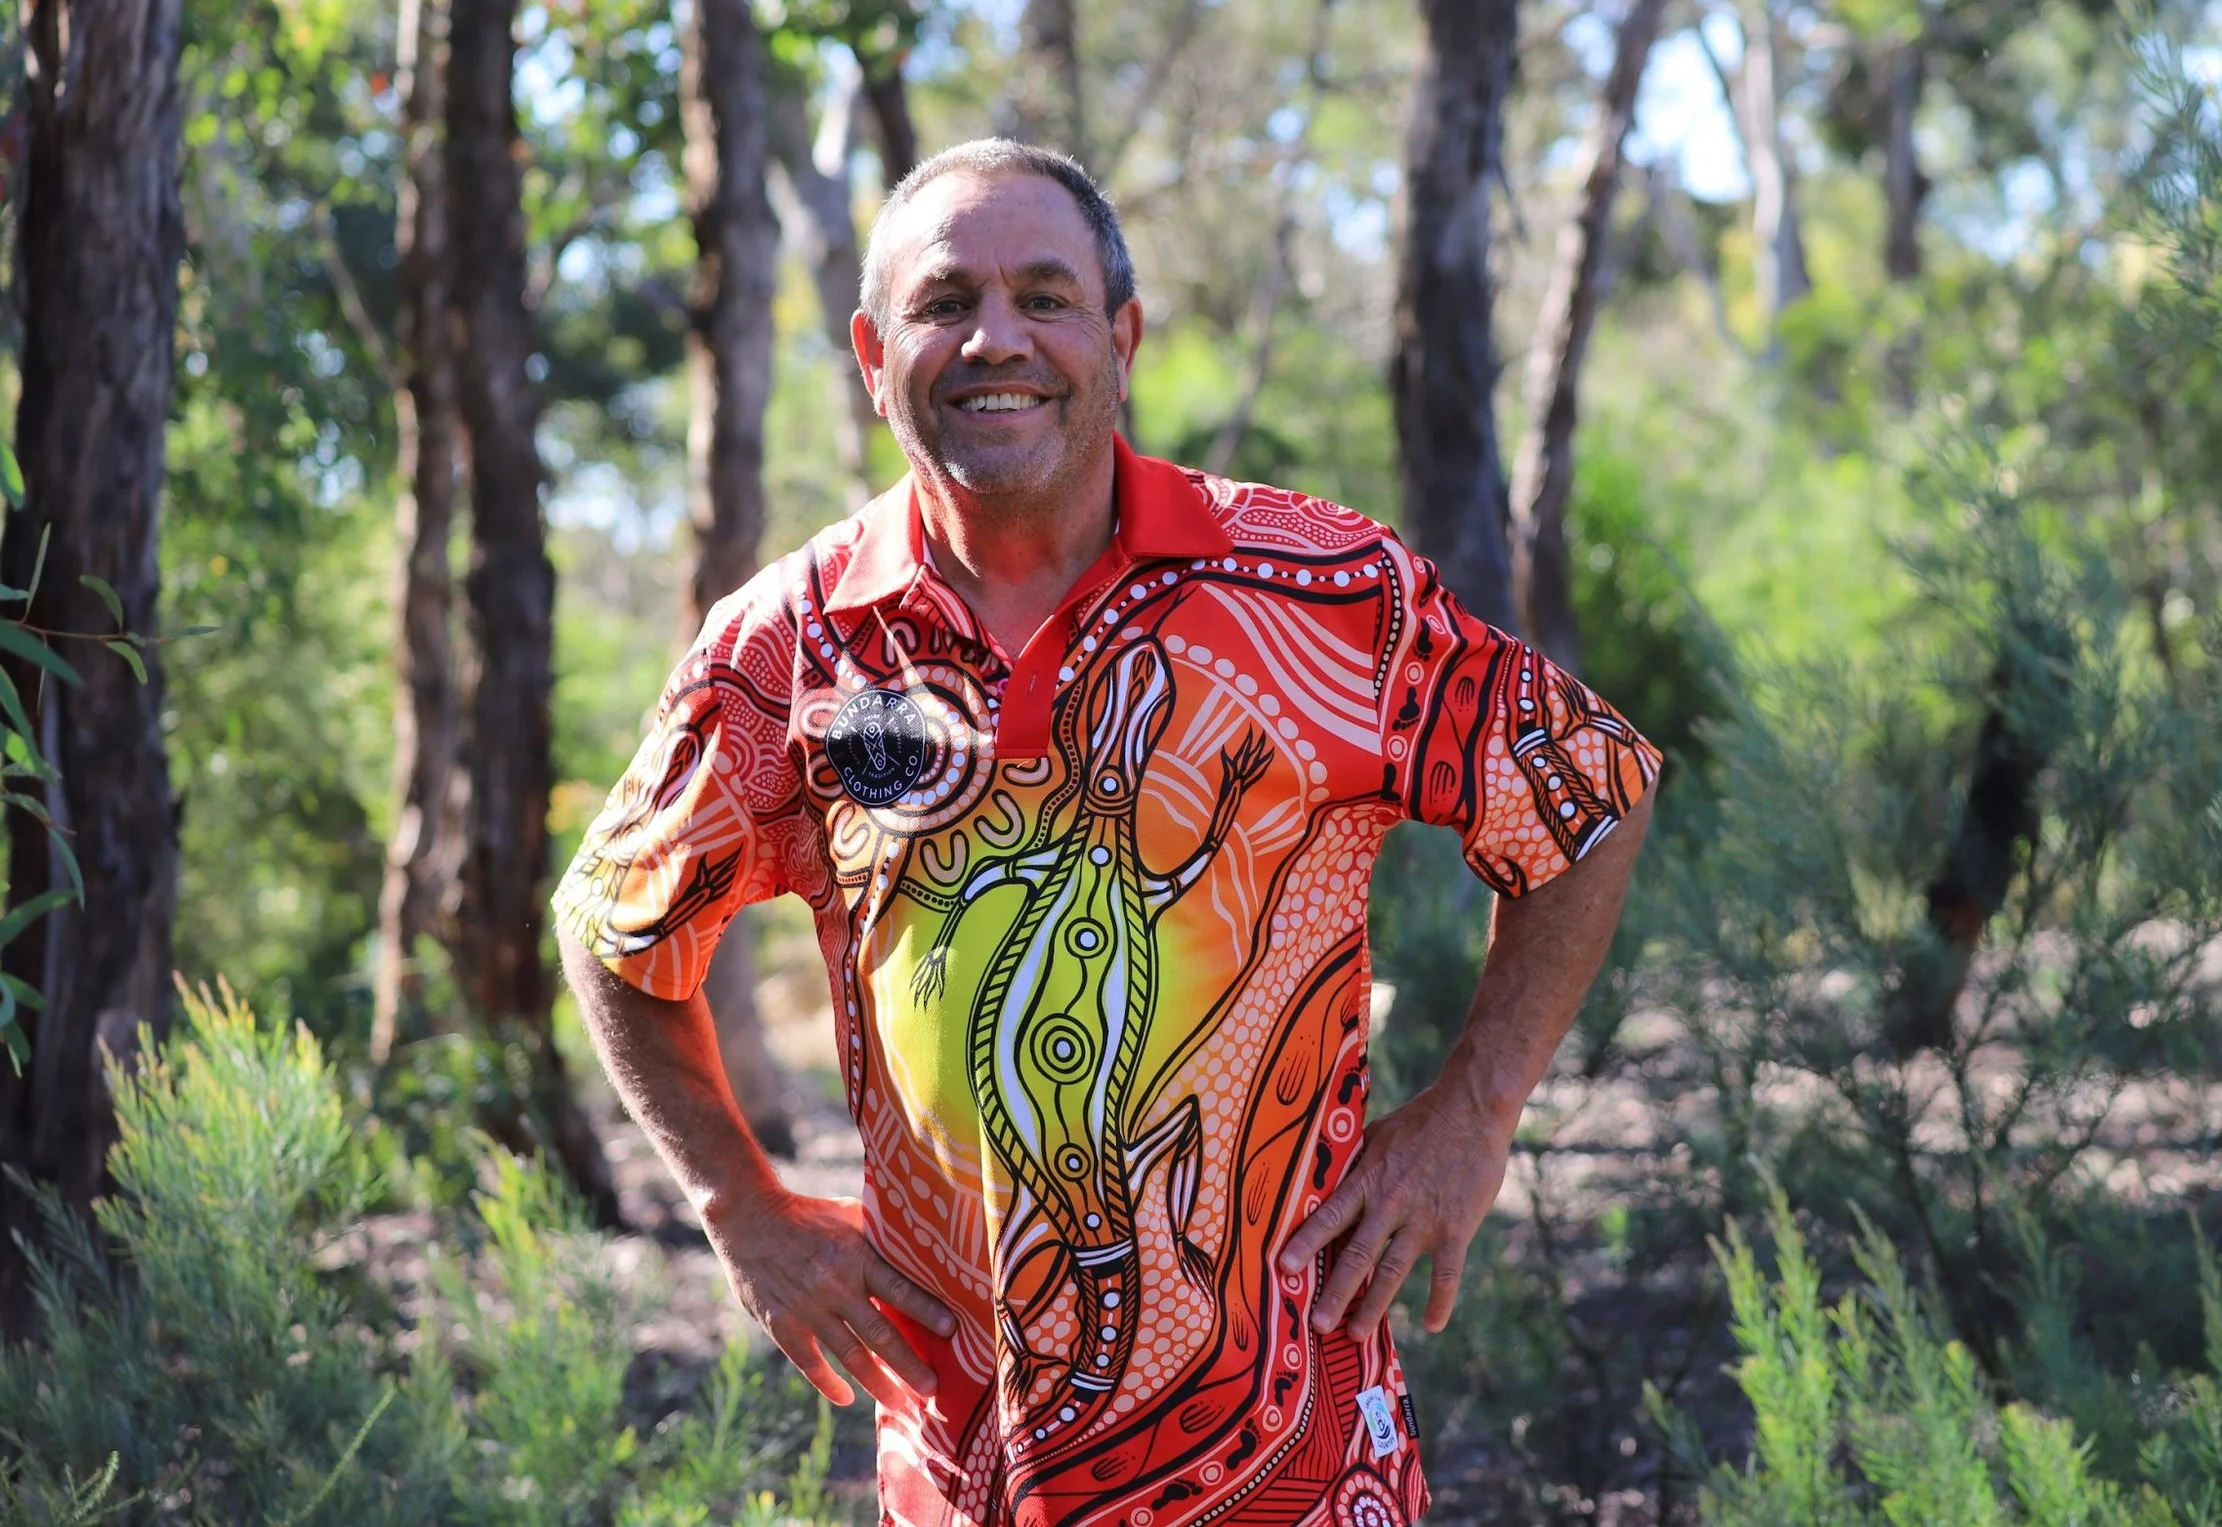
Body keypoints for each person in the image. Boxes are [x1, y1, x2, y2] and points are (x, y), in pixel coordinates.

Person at [552, 139, 1659, 1527]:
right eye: (944, 302)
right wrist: (739, 1206)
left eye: (1046, 296)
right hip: (962, 1470)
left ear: (1121, 337)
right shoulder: (792, 645)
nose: (994, 338)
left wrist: (1474, 1111)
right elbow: (610, 919)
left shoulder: (1317, 593)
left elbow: (1590, 791)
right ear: (871, 350)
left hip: (1291, 1464)